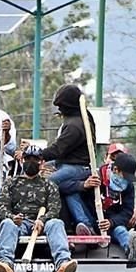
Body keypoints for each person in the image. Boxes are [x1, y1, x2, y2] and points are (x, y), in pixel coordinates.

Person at [0, 145, 77, 272]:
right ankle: (6, 264)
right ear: (22, 160)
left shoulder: (49, 185)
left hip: (42, 224)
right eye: (27, 158)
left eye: (35, 159)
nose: (31, 162)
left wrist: (43, 220)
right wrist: (13, 217)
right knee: (7, 223)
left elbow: (55, 208)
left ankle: (63, 263)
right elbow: (2, 207)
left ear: (41, 162)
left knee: (56, 223)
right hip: (19, 223)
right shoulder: (10, 183)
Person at [37, 84, 97, 233]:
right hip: (65, 163)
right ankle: (85, 223)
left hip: (77, 167)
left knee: (46, 183)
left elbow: (58, 149)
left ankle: (41, 219)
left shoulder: (74, 126)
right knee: (69, 190)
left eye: (61, 106)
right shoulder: (82, 117)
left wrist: (37, 155)